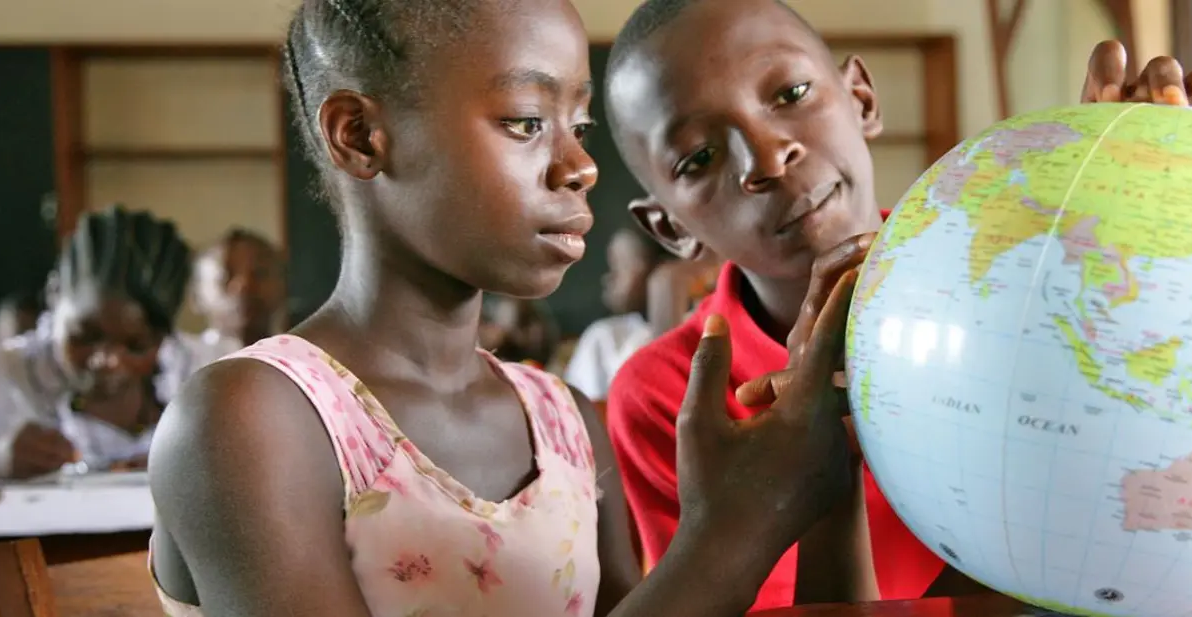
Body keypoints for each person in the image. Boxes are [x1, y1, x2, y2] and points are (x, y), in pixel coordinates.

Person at [147, 1, 867, 615]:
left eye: (577, 126)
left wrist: (819, 492)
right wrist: (728, 535)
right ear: (361, 137)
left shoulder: (566, 423)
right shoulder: (249, 419)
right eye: (527, 121)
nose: (581, 167)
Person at [600, 0, 1192, 610]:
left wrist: (1134, 217)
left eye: (792, 93)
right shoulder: (672, 396)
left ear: (862, 97)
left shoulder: (1028, 274)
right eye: (699, 156)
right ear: (669, 227)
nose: (769, 157)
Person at [0, 206, 191, 478]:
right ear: (54, 294)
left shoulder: (200, 374)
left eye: (136, 346)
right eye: (86, 337)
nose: (109, 360)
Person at [155, 228, 284, 404]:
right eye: (226, 276)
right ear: (196, 296)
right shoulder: (175, 364)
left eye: (259, 274)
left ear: (283, 285)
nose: (244, 285)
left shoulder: (309, 362)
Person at [564, 228, 668, 400]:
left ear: (664, 267)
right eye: (612, 266)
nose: (609, 277)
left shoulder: (695, 322)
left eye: (623, 265)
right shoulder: (604, 337)